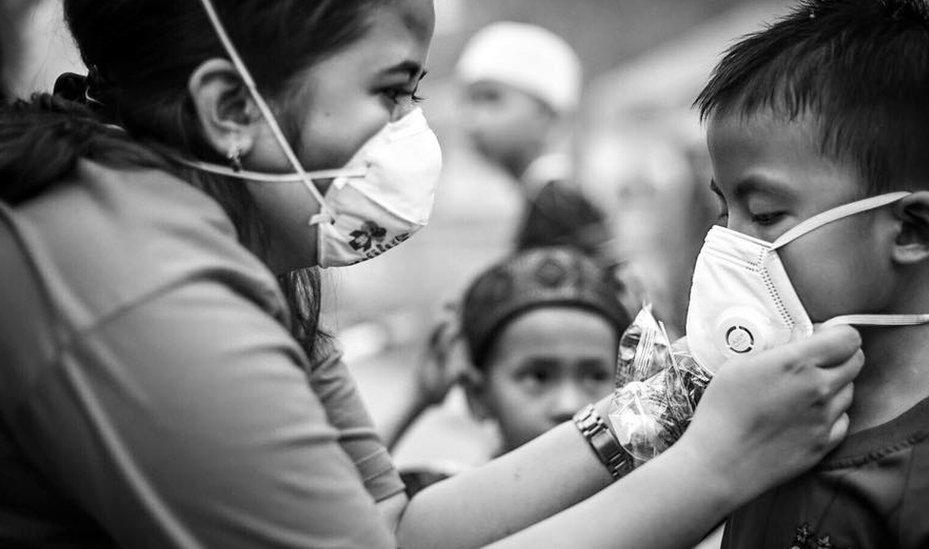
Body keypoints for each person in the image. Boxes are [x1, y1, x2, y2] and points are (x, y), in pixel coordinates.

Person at [0, 1, 864, 547]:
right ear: (231, 107)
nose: (419, 129)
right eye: (390, 92)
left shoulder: (261, 249)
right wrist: (715, 463)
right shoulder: (150, 294)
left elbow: (393, 525)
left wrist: (664, 408)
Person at [689, 0, 929, 546]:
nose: (727, 246)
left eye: (766, 215)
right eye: (725, 212)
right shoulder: (750, 427)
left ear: (912, 231)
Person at [388, 247, 632, 493]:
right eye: (539, 376)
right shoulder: (446, 502)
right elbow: (357, 513)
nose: (570, 405)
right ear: (477, 396)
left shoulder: (646, 507)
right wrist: (416, 401)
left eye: (596, 376)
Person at [456, 22, 615, 265]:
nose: (472, 119)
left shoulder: (557, 208)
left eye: (491, 98)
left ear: (547, 116)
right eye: (468, 101)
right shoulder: (551, 201)